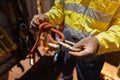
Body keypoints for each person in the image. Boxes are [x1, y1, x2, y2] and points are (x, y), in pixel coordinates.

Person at [30, 0, 120, 80]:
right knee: (65, 67)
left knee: (87, 77)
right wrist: (47, 17)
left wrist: (99, 43)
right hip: (67, 38)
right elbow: (60, 8)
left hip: (93, 49)